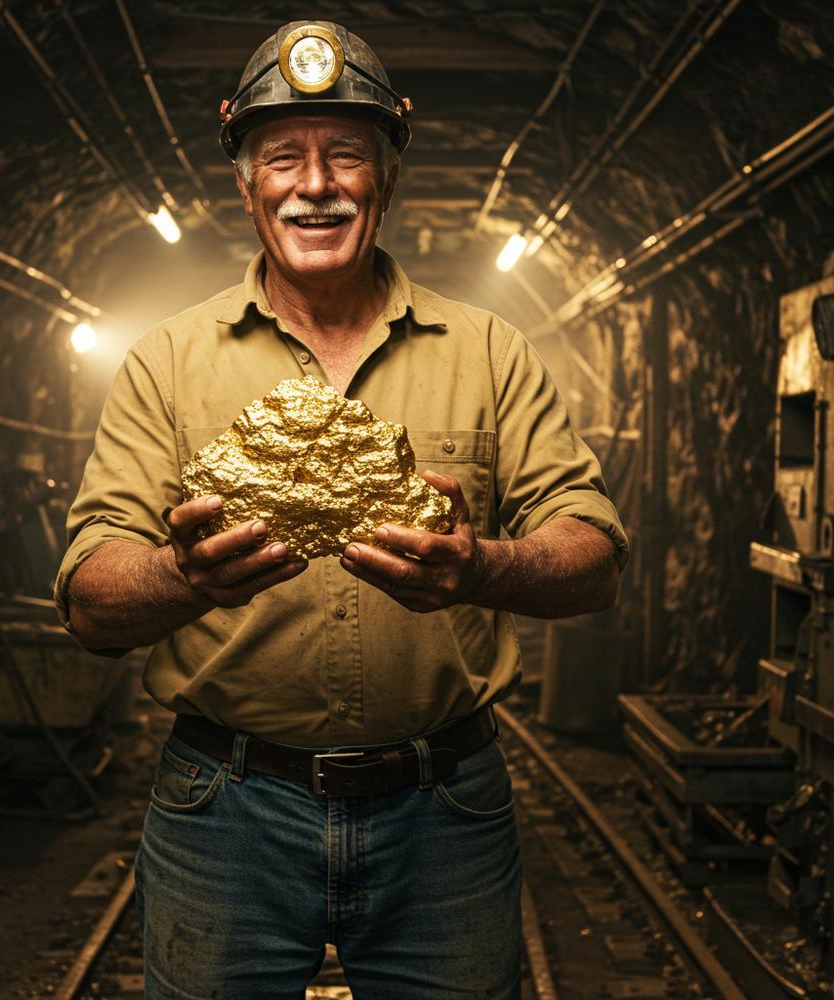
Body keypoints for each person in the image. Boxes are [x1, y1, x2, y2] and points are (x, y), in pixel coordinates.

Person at [55, 19, 629, 1000]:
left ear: (388, 173)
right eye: (282, 156)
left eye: (345, 155)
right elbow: (88, 600)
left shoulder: (488, 349)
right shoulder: (166, 359)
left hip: (442, 807)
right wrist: (181, 574)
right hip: (224, 806)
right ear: (245, 182)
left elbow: (594, 556)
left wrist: (481, 566)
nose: (313, 184)